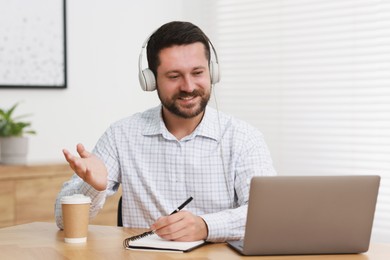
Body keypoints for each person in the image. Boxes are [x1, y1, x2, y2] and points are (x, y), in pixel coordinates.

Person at [55, 21, 276, 243]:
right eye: (174, 76)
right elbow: (62, 221)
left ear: (213, 72)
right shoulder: (121, 135)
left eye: (197, 72)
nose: (188, 86)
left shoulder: (244, 138)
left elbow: (268, 214)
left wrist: (206, 226)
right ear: (150, 81)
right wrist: (92, 186)